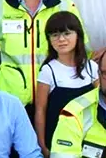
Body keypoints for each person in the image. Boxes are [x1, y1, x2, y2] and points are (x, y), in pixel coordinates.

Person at [31, 11, 98, 150]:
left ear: (78, 35)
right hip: (59, 142)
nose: (61, 39)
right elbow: (40, 111)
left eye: (67, 33)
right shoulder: (48, 71)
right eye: (55, 35)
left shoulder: (92, 68)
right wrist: (42, 146)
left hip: (90, 139)